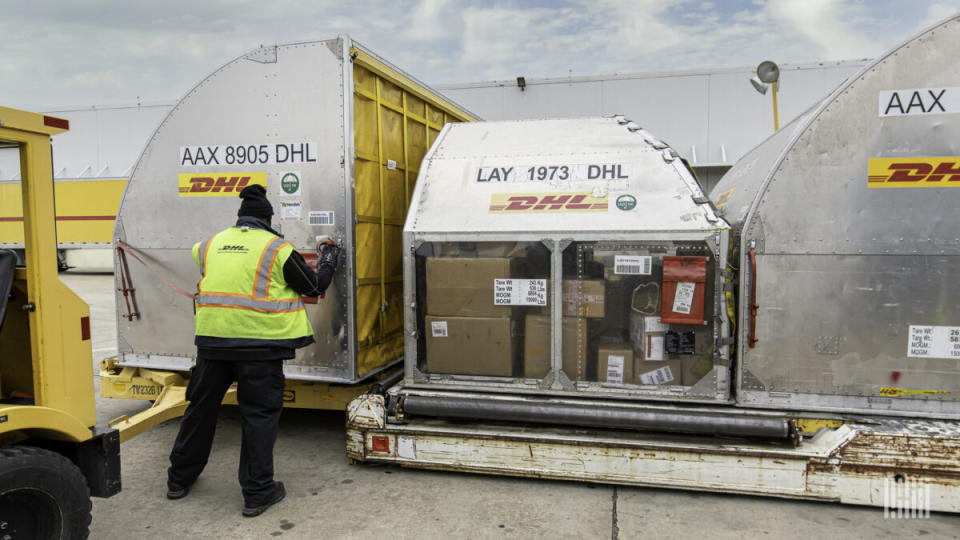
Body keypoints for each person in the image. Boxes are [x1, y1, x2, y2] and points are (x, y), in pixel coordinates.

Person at [166, 183, 339, 517]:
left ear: (240, 216)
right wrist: (329, 260)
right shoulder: (276, 248)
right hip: (260, 348)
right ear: (268, 217)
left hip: (213, 346)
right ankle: (258, 492)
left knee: (199, 412)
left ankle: (178, 479)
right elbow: (314, 286)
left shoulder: (210, 244)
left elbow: (211, 270)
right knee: (258, 417)